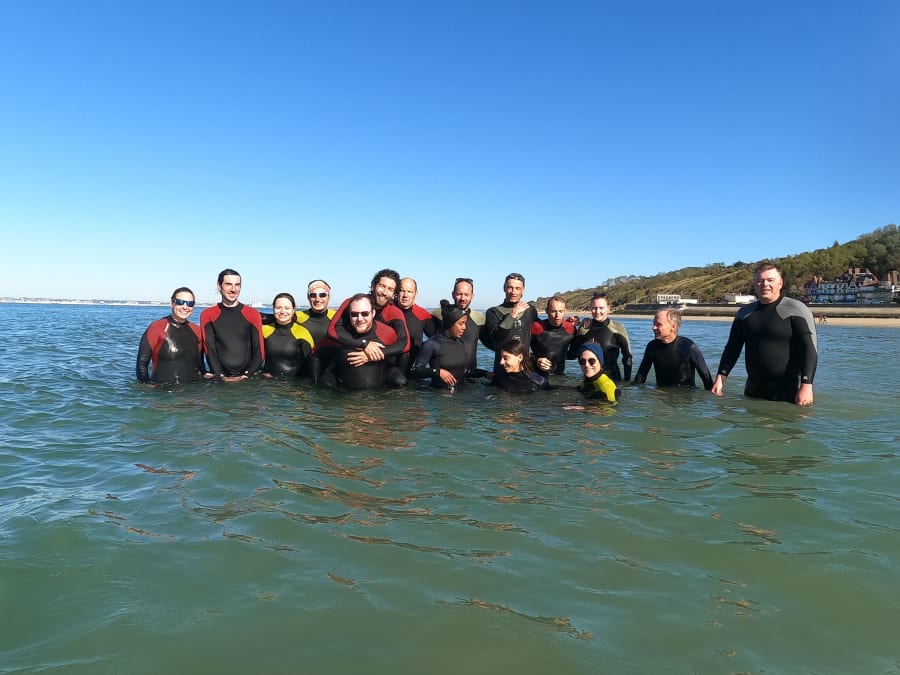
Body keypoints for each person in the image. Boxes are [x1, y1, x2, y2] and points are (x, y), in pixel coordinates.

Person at [712, 262, 817, 405]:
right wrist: (721, 378)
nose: (764, 284)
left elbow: (809, 349)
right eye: (760, 281)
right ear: (755, 284)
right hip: (753, 391)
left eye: (770, 280)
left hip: (788, 392)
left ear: (781, 283)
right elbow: (732, 348)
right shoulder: (744, 314)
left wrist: (807, 384)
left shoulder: (796, 309)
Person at [310, 294, 407, 389]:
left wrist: (376, 354)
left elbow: (404, 348)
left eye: (365, 313)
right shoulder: (340, 335)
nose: (360, 319)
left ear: (373, 313)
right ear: (349, 315)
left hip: (377, 396)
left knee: (400, 380)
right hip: (344, 394)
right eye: (354, 314)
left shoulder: (385, 333)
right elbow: (316, 354)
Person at [327, 269, 410, 366]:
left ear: (393, 294)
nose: (385, 292)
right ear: (373, 286)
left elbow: (404, 343)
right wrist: (364, 344)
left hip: (378, 361)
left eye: (390, 289)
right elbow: (332, 330)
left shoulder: (395, 312)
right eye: (382, 286)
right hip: (349, 354)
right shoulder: (354, 303)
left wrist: (372, 355)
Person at [200, 268, 264, 381]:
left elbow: (259, 351)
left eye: (237, 285)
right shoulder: (207, 314)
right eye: (228, 284)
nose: (233, 289)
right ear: (219, 286)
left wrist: (246, 375)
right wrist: (221, 376)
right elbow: (209, 350)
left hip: (248, 380)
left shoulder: (252, 314)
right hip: (221, 380)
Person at [136, 287, 204, 384]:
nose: (185, 307)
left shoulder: (196, 330)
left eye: (190, 304)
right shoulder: (157, 327)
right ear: (172, 303)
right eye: (180, 302)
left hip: (192, 392)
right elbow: (141, 364)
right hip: (163, 392)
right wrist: (145, 386)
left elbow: (200, 364)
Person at [633, 309, 713, 390]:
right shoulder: (652, 346)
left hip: (685, 396)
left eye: (658, 324)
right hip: (661, 396)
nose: (653, 327)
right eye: (654, 324)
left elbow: (707, 378)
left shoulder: (689, 347)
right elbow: (640, 377)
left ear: (673, 327)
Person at [410, 300, 478, 389]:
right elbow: (415, 371)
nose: (464, 327)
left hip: (461, 395)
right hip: (440, 397)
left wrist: (485, 374)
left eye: (465, 323)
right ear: (450, 324)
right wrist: (437, 372)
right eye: (461, 324)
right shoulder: (432, 344)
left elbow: (463, 372)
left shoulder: (459, 342)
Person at [480, 272, 539, 372]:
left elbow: (541, 331)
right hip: (502, 369)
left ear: (523, 290)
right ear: (504, 288)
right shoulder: (493, 312)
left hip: (525, 369)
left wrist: (567, 323)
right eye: (510, 287)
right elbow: (496, 337)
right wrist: (513, 315)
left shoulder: (530, 310)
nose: (513, 292)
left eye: (517, 288)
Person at [568, 293, 633, 382]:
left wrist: (627, 382)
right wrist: (567, 325)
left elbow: (627, 357)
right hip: (589, 380)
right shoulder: (583, 328)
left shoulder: (617, 327)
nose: (597, 311)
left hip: (613, 379)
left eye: (601, 308)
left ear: (608, 308)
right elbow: (572, 355)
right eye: (594, 308)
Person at [261, 292, 314, 377]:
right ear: (273, 309)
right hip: (267, 384)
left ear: (293, 310)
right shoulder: (264, 330)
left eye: (287, 308)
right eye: (278, 308)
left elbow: (310, 365)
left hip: (293, 385)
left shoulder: (302, 333)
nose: (282, 311)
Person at [396, 277, 437, 372]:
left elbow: (436, 340)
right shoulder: (388, 310)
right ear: (396, 292)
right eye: (402, 291)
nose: (405, 295)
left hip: (412, 372)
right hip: (387, 370)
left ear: (416, 294)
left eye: (409, 291)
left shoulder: (423, 314)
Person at [530, 295, 577, 376]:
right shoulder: (536, 327)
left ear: (565, 311)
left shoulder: (571, 329)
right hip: (536, 375)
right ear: (546, 311)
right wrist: (536, 360)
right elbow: (520, 351)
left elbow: (573, 355)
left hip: (559, 377)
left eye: (560, 311)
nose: (557, 315)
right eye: (553, 311)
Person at [295, 279, 336, 347]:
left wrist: (360, 351)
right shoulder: (297, 316)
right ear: (308, 297)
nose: (317, 299)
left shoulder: (337, 317)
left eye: (322, 295)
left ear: (328, 297)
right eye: (313, 295)